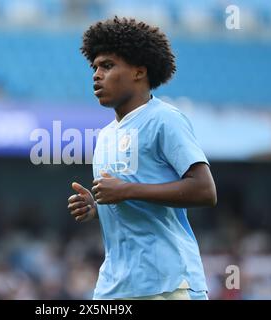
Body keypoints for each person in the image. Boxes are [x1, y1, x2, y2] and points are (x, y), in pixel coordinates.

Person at [67, 17, 217, 300]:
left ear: (139, 72)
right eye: (95, 67)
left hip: (168, 284)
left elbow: (205, 190)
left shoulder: (165, 120)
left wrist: (127, 191)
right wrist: (96, 207)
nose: (96, 75)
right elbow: (128, 202)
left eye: (107, 66)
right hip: (115, 287)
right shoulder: (105, 136)